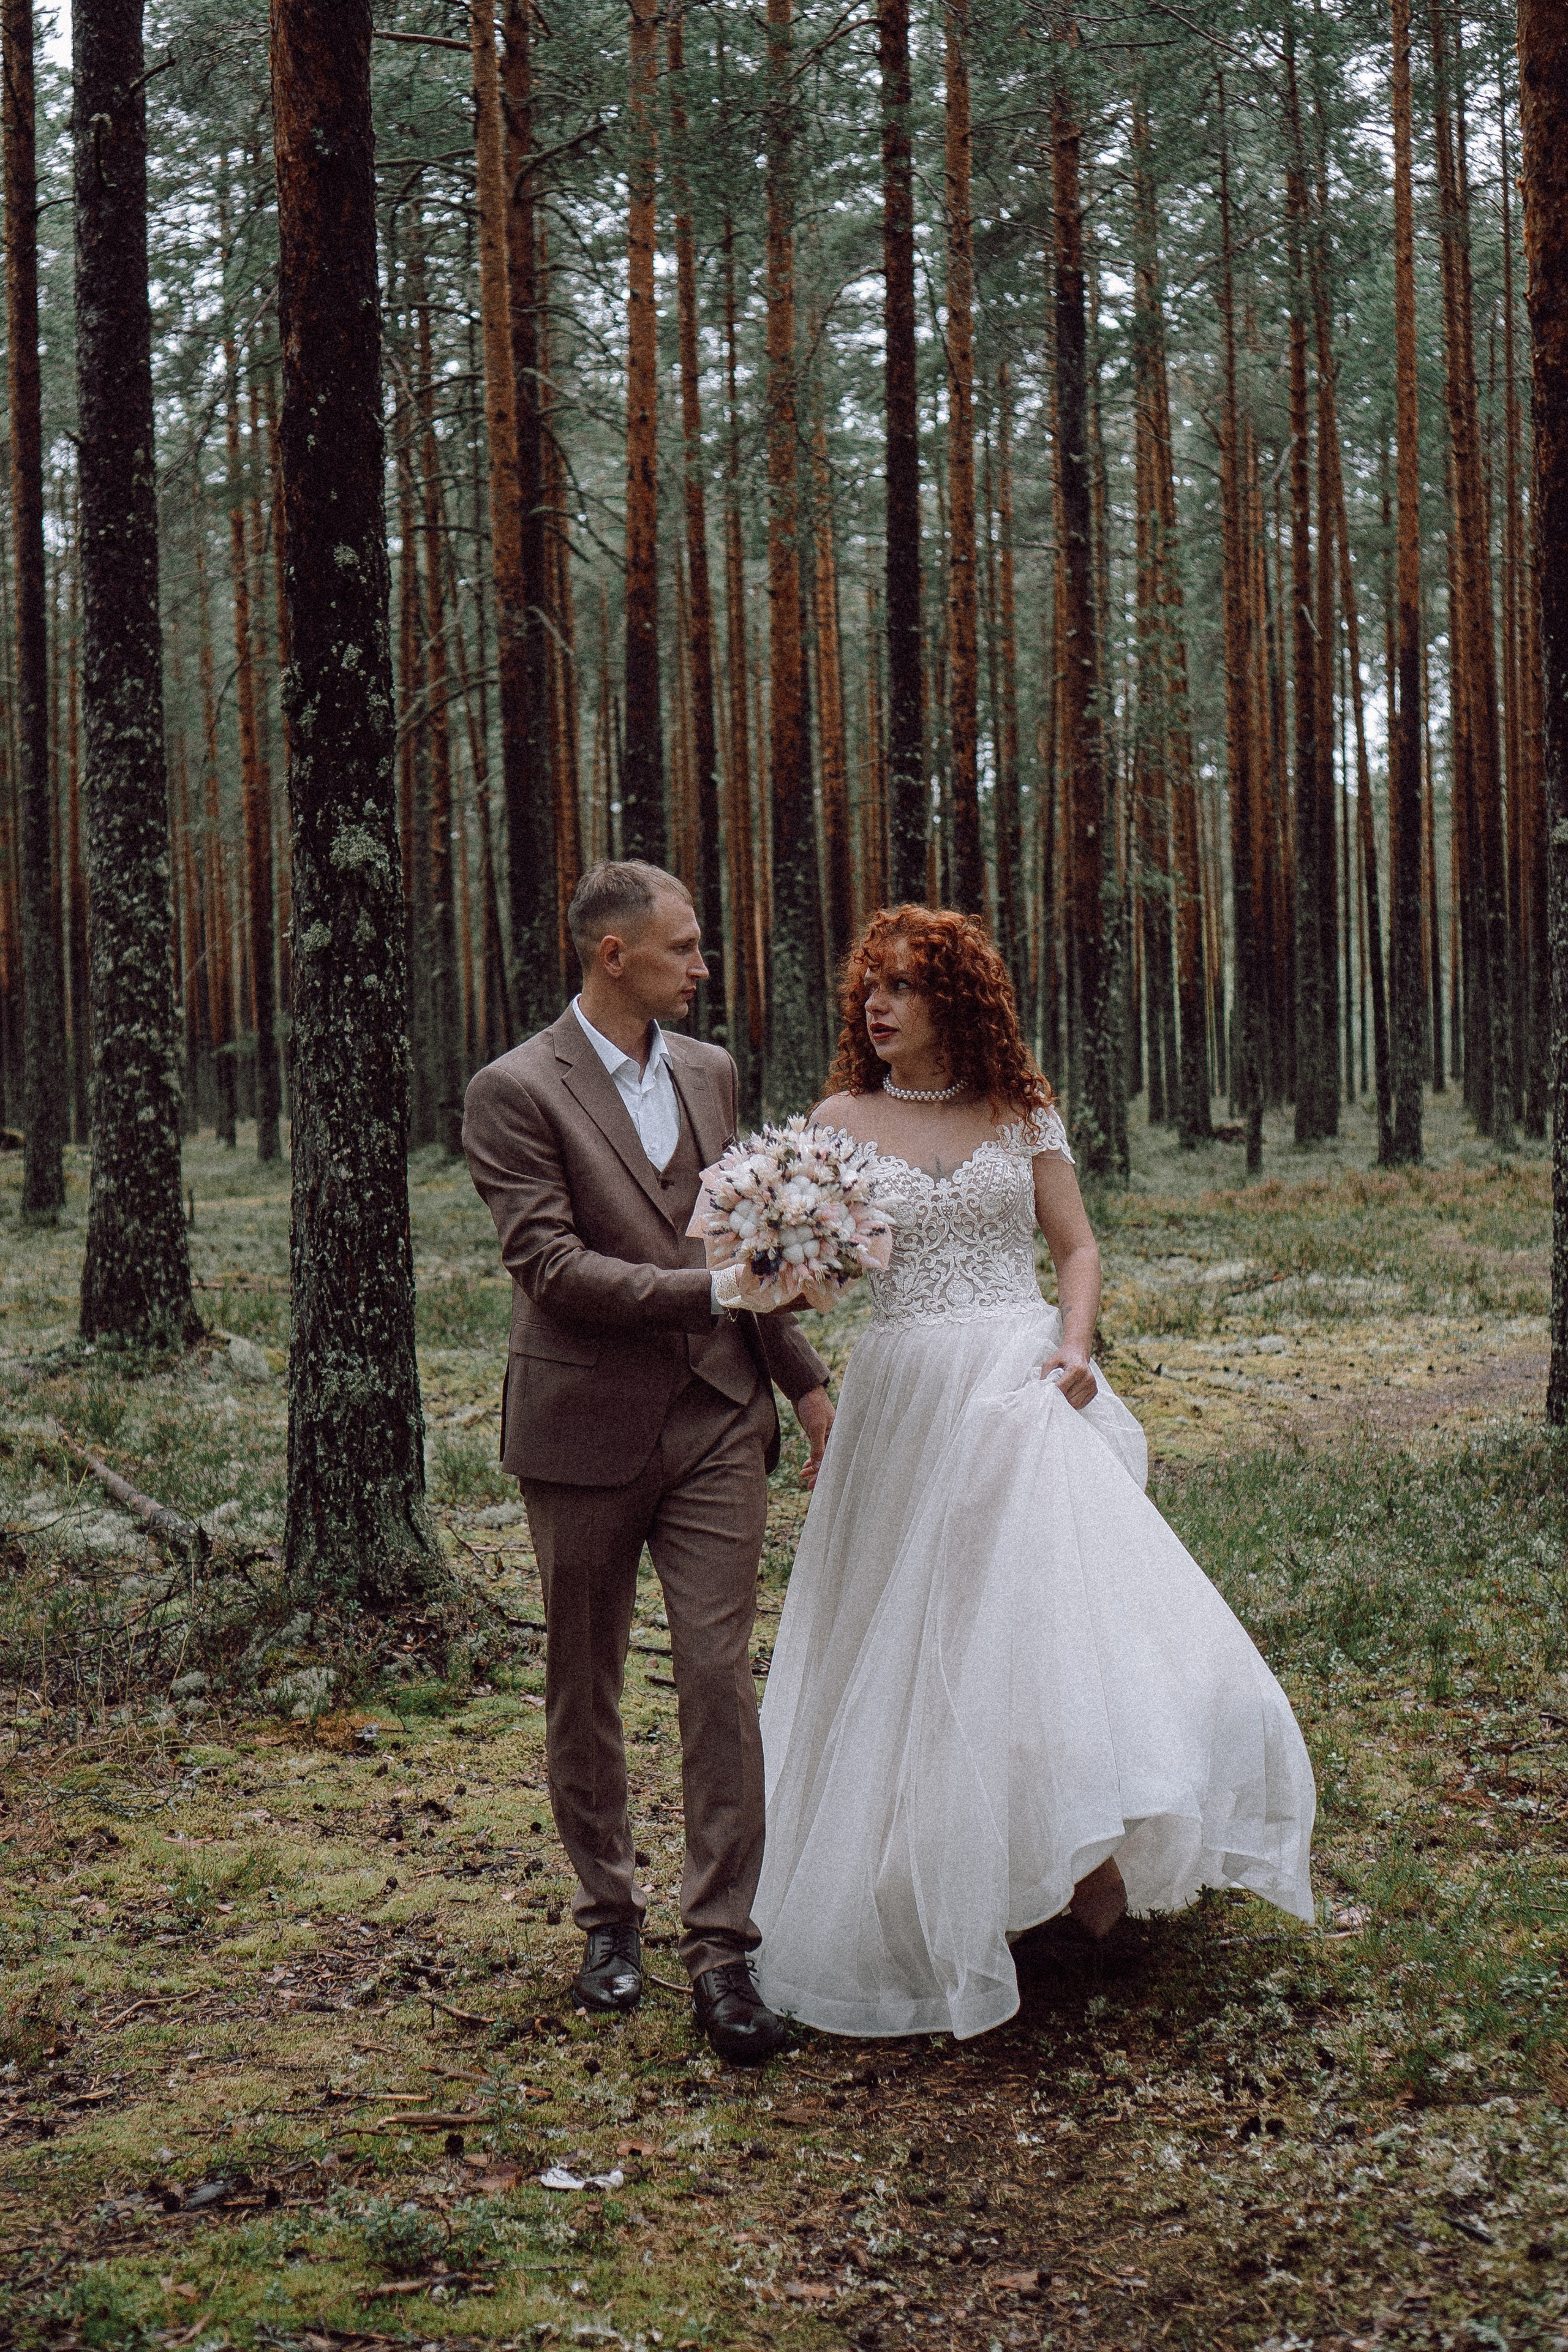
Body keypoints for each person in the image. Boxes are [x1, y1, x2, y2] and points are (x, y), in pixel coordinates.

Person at [748, 905, 1315, 2041]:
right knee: (908, 1636)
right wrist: (781, 1260)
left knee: (1048, 1622)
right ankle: (935, 1881)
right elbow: (820, 1290)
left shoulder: (1022, 1110)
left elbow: (1077, 1246)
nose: (879, 1003)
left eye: (905, 985)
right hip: (906, 1394)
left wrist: (1077, 1341)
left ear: (956, 1000)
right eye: (872, 984)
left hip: (1021, 1384)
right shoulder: (837, 1122)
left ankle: (1080, 1851)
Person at [462, 860, 834, 2064]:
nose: (701, 965)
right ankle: (608, 1920)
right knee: (585, 1682)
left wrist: (803, 1380)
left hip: (720, 1420)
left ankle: (721, 1949)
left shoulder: (711, 1072)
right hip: (581, 1435)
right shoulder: (513, 1090)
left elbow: (746, 1245)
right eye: (681, 948)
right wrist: (709, 1288)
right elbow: (550, 1268)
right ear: (611, 955)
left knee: (720, 1678)